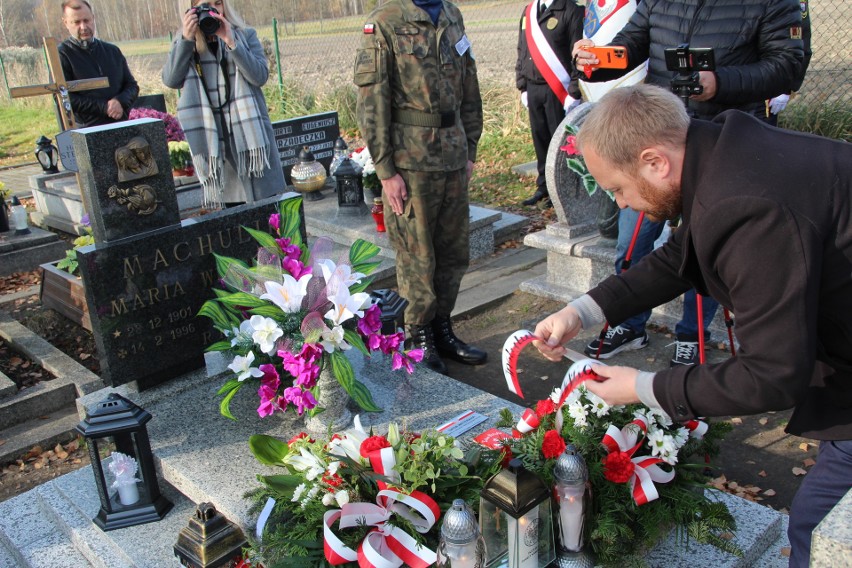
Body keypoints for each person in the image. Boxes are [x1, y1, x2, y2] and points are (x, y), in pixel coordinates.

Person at [532, 84, 851, 567]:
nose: (618, 204)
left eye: (618, 188)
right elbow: (679, 257)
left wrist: (642, 386)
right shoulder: (720, 153)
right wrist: (584, 311)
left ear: (655, 161)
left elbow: (771, 372)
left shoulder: (747, 207)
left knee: (817, 524)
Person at [572, 0, 805, 365]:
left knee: (706, 253)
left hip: (720, 147)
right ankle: (629, 324)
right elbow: (630, 43)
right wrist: (595, 60)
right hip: (651, 147)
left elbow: (788, 66)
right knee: (633, 245)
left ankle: (692, 336)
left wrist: (720, 82)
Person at [354, 0, 487, 374]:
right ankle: (418, 335)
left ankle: (442, 328)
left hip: (453, 153)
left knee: (452, 251)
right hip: (410, 162)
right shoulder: (384, 22)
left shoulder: (451, 14)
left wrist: (471, 146)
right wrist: (385, 171)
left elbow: (470, 81)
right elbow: (372, 100)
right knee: (417, 256)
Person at [162, 0, 284, 209]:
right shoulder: (184, 44)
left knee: (270, 219)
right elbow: (172, 80)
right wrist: (185, 39)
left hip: (251, 142)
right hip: (216, 143)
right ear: (190, 10)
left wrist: (231, 42)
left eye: (218, 3)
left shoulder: (244, 35)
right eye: (205, 5)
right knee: (234, 221)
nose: (214, 11)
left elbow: (260, 76)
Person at [515, 0, 584, 208]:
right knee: (541, 140)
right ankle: (544, 187)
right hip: (534, 88)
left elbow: (578, 53)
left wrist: (574, 90)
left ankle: (565, 190)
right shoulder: (528, 12)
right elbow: (522, 50)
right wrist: (522, 85)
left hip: (558, 91)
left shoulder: (570, 10)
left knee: (562, 144)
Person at [58, 0, 139, 128]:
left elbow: (132, 86)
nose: (83, 27)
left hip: (122, 123)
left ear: (93, 18)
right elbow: (65, 98)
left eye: (87, 20)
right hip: (87, 128)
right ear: (66, 23)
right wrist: (104, 107)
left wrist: (119, 101)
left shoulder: (112, 51)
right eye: (77, 22)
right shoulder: (62, 55)